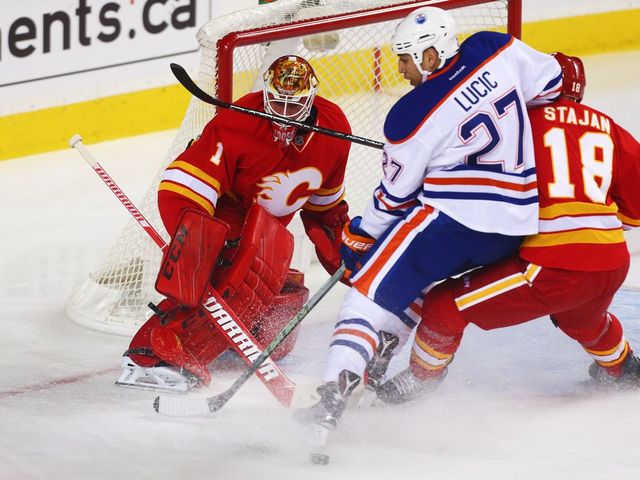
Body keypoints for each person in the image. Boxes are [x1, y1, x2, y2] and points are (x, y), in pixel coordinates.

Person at [295, 6, 566, 430]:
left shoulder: (411, 112)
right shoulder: (496, 49)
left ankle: (331, 395)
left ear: (430, 56)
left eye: (405, 59)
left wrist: (359, 237)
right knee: (416, 280)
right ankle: (383, 348)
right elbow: (553, 84)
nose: (400, 69)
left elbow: (394, 198)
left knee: (367, 290)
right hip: (513, 225)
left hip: (453, 223)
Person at [376, 53, 640, 404]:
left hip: (553, 266)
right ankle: (623, 368)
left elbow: (479, 181)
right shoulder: (608, 126)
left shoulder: (517, 126)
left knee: (444, 305)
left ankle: (421, 380)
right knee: (582, 318)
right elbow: (634, 212)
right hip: (612, 262)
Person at [116, 55, 353, 392]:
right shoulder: (236, 123)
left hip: (267, 234)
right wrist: (198, 242)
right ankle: (149, 354)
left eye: (295, 105)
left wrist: (344, 253)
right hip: (223, 221)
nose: (284, 115)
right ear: (265, 94)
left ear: (312, 98)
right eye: (277, 103)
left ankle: (223, 338)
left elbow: (324, 210)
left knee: (282, 312)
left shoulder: (335, 129)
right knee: (230, 282)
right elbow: (182, 184)